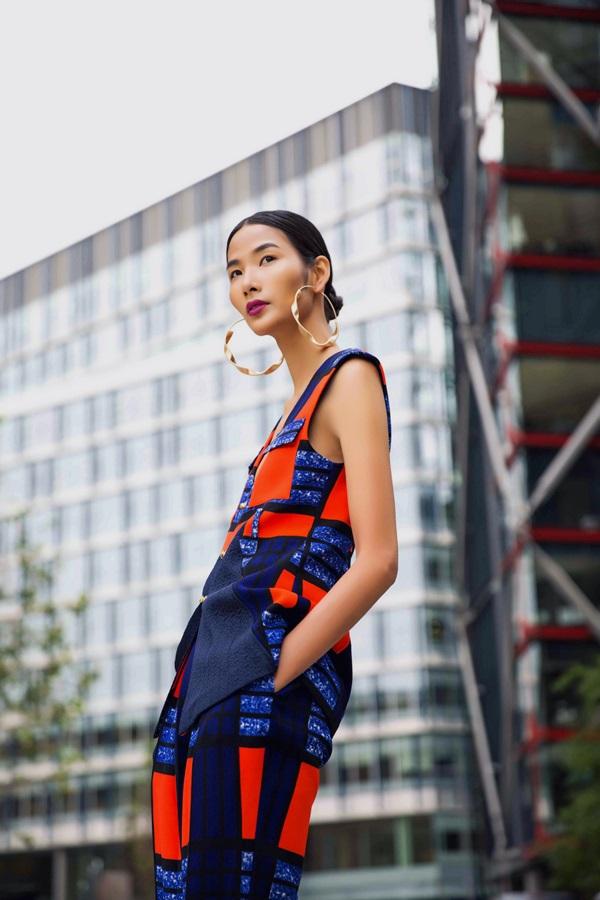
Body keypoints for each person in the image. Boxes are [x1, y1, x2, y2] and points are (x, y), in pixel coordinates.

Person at [151, 209, 398, 898]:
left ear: (316, 272)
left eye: (265, 259)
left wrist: (276, 669)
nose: (247, 281)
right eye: (235, 271)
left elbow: (379, 559)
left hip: (261, 670)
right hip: (210, 670)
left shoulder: (350, 377)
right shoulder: (284, 417)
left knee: (242, 883)